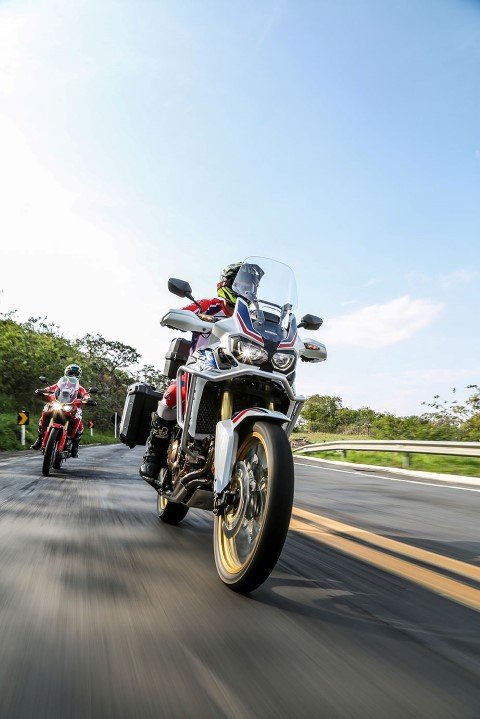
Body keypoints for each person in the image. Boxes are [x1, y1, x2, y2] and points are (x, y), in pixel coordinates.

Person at [139, 262, 242, 485]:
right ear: (226, 284)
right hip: (202, 367)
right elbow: (179, 315)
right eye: (240, 283)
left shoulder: (253, 318)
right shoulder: (207, 305)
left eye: (250, 285)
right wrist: (188, 318)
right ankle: (154, 453)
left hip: (239, 370)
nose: (245, 289)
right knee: (172, 394)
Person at [30, 363, 91, 457]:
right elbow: (49, 388)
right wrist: (42, 391)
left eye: (75, 374)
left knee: (80, 425)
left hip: (72, 408)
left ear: (79, 376)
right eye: (70, 373)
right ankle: (40, 438)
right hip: (57, 404)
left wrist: (87, 400)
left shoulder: (80, 388)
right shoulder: (60, 384)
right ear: (66, 373)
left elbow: (86, 395)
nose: (73, 375)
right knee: (45, 411)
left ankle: (74, 446)